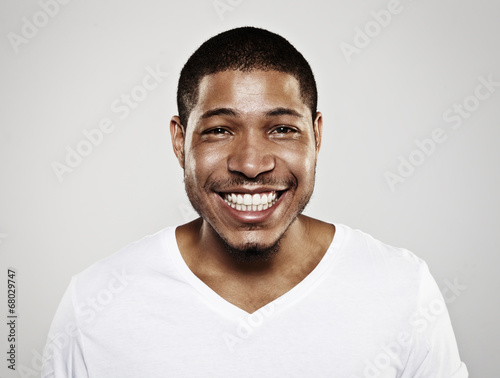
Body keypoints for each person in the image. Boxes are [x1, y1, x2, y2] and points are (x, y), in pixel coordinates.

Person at [42, 26, 468, 377]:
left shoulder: (403, 289)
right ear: (179, 141)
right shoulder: (95, 302)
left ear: (316, 136)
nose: (250, 164)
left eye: (282, 129)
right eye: (219, 130)